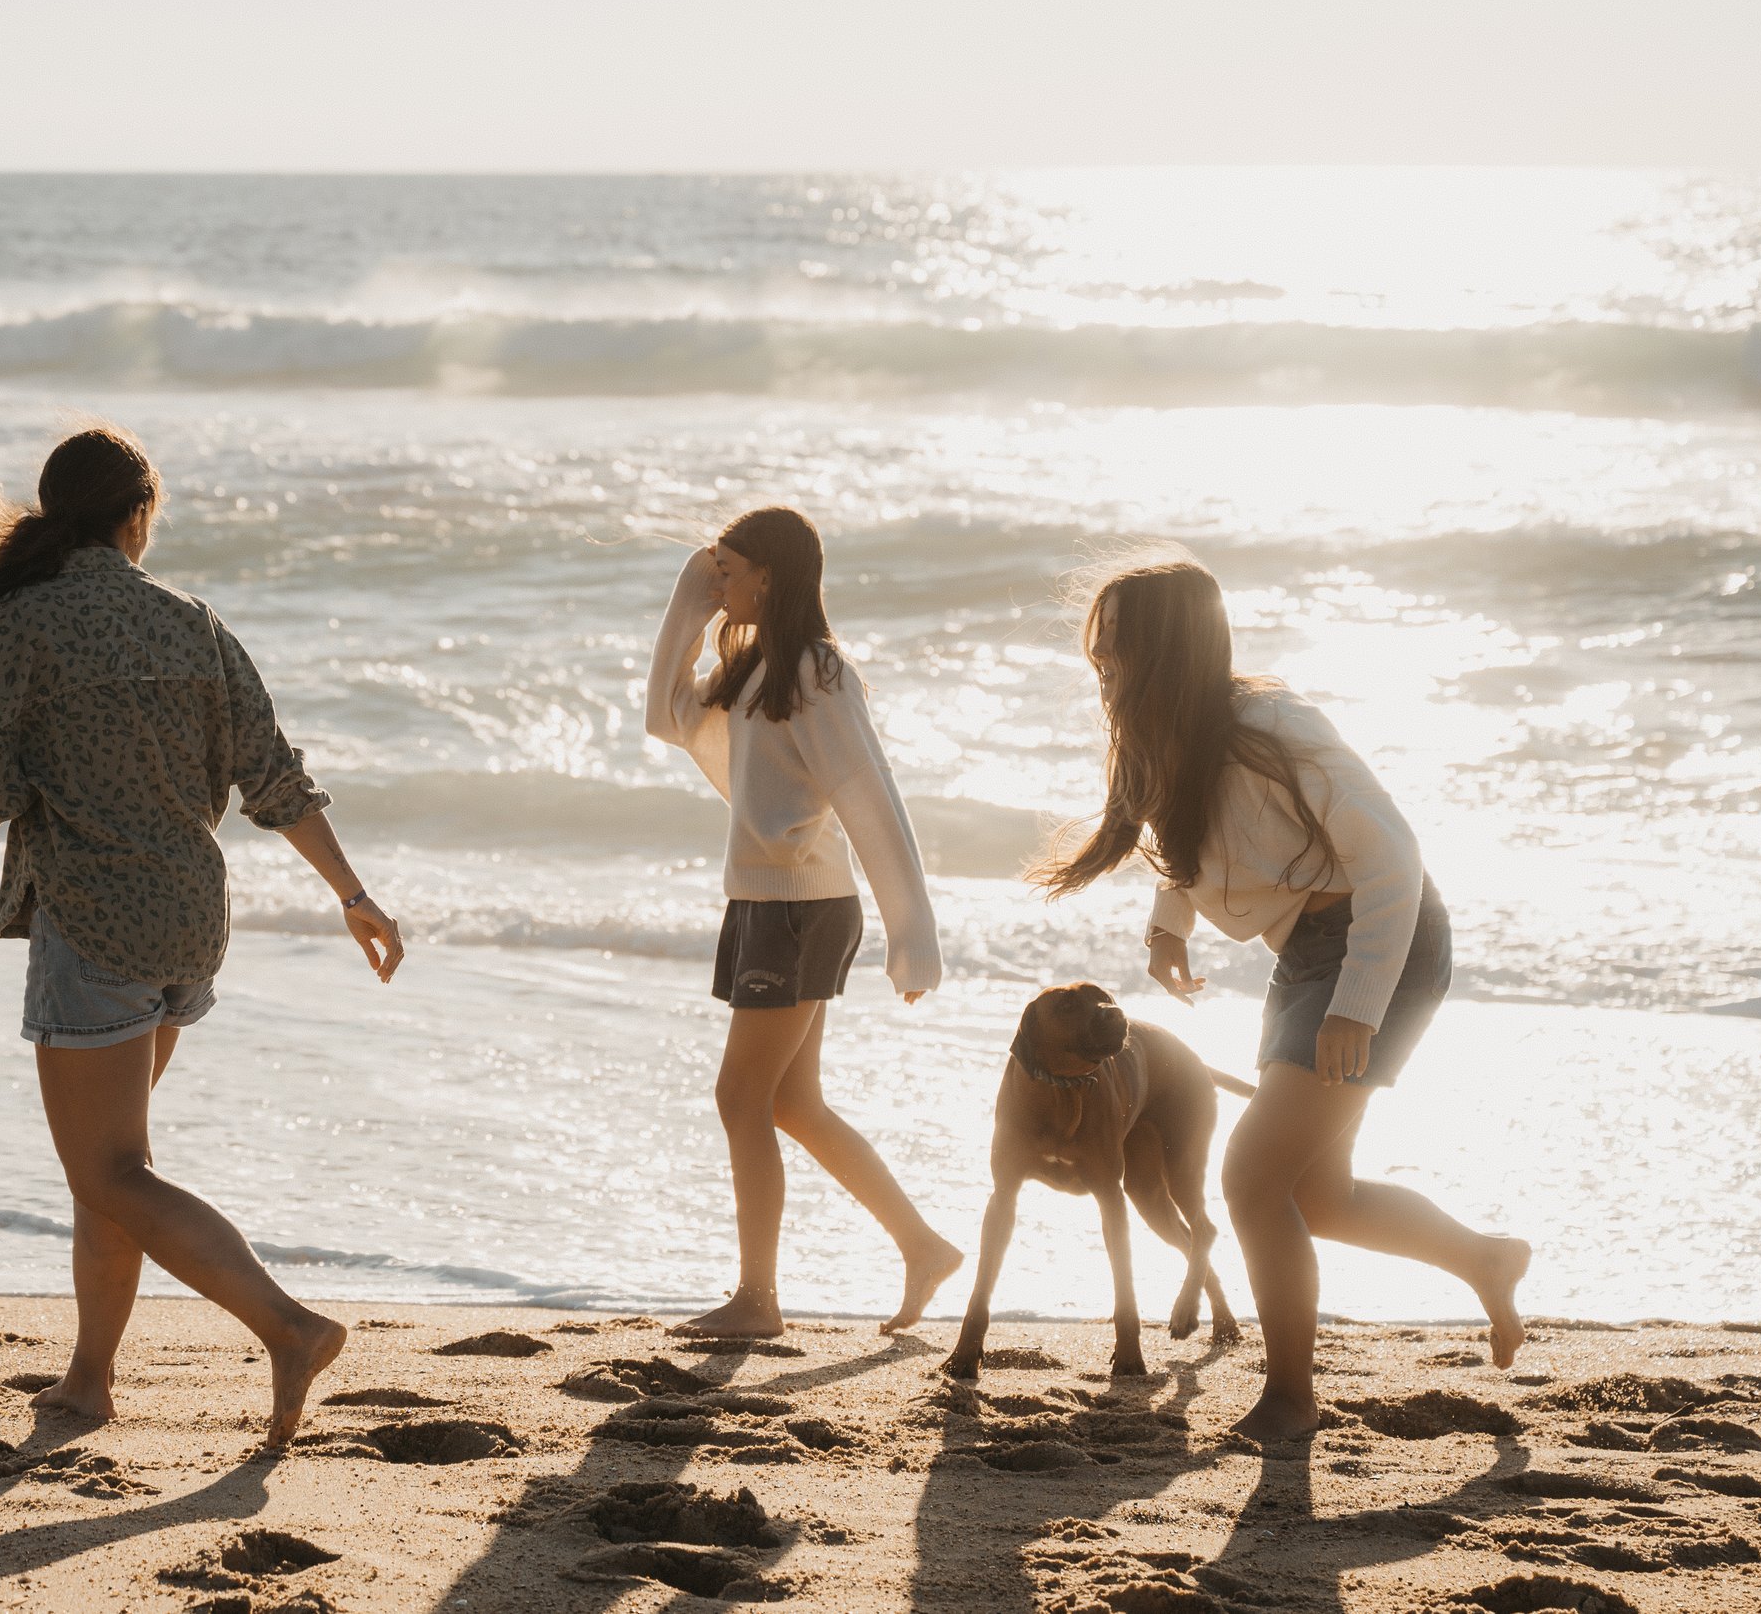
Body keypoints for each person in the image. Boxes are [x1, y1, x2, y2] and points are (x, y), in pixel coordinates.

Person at [0, 424, 403, 1450]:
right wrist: (352, 891)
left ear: (59, 513)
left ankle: (289, 1324)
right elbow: (273, 775)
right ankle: (89, 1378)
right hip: (188, 923)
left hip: (94, 923)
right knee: (119, 1163)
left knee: (108, 1172)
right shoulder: (193, 622)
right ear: (137, 516)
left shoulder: (22, 625)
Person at [1033, 556, 1528, 1440]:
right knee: (1315, 1198)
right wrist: (1167, 925)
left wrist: (1358, 1005)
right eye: (1096, 649)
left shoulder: (1275, 727)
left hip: (1388, 941)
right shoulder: (1164, 737)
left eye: (1114, 648)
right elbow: (1182, 830)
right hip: (1307, 953)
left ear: (1169, 651)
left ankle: (1292, 1397)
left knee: (1251, 1174)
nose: (1099, 665)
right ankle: (1484, 1258)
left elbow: (1394, 859)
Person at [644, 504, 964, 1338]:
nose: (719, 582)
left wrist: (912, 935)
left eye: (729, 569)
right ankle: (923, 1245)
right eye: (714, 569)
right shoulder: (754, 667)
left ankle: (758, 1299)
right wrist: (688, 606)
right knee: (791, 1102)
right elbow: (666, 713)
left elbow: (869, 797)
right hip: (766, 900)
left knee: (739, 1095)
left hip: (802, 906)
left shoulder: (819, 672)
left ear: (771, 577)